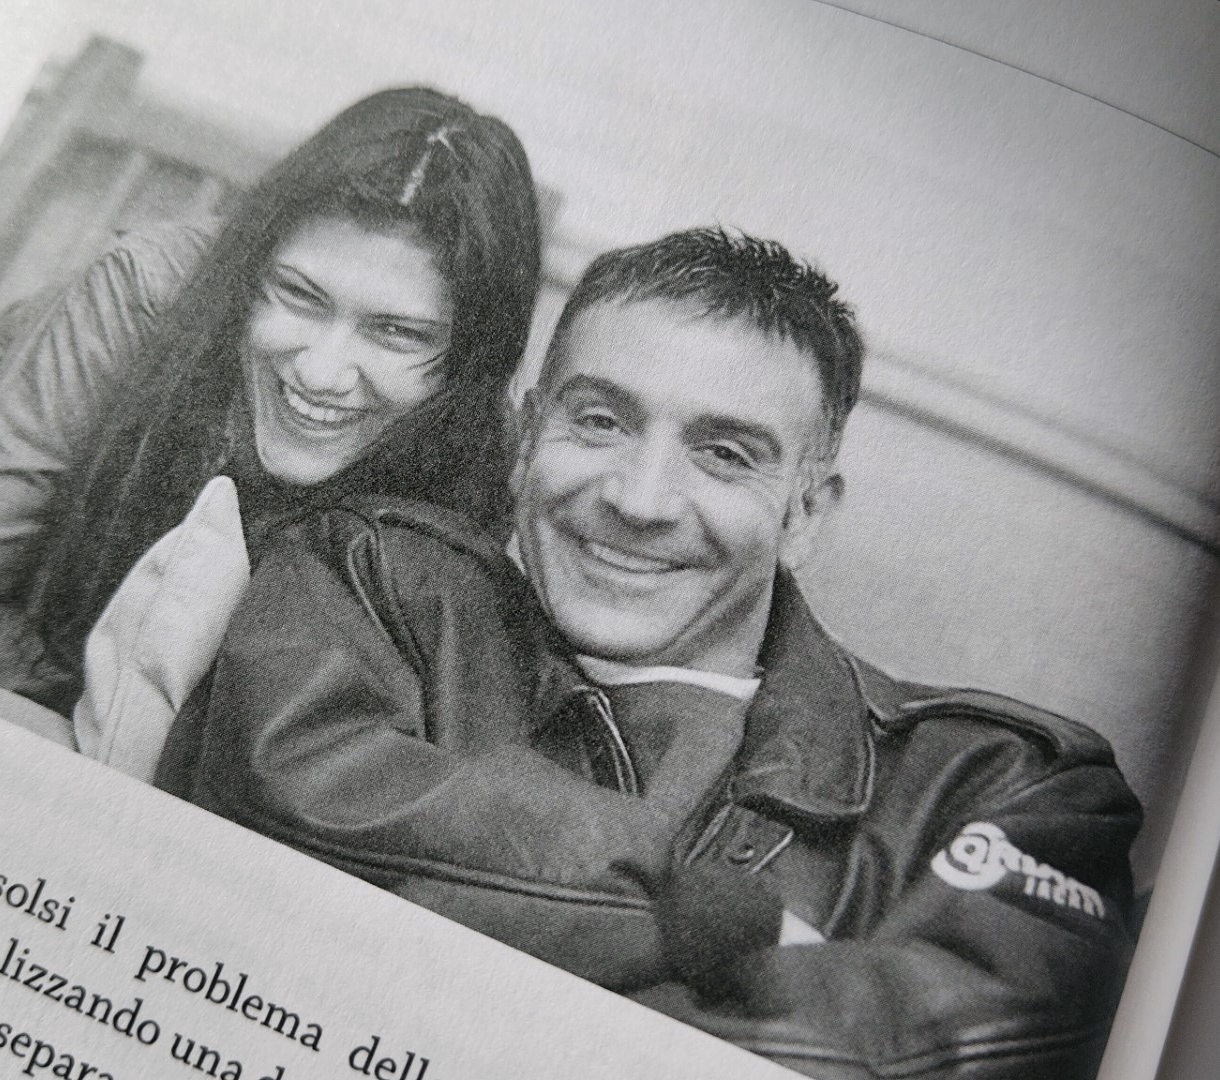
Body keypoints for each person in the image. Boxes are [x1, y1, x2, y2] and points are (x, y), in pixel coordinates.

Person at [171, 228, 1143, 1078]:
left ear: (805, 513)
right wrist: (717, 919)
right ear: (526, 439)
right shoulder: (371, 582)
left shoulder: (997, 784)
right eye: (599, 421)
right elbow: (266, 835)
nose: (638, 498)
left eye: (724, 453)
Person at [0, 87, 542, 725]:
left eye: (395, 333)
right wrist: (168, 731)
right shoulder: (144, 290)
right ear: (251, 266)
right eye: (297, 295)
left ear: (471, 356)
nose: (320, 372)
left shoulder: (480, 443)